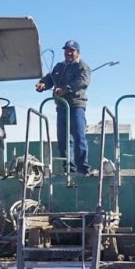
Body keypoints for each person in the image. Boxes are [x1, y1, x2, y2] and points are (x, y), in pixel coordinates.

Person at [35, 40, 91, 176]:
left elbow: (82, 82)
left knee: (79, 136)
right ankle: (68, 169)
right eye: (67, 50)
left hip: (76, 106)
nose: (69, 53)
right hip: (61, 107)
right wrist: (42, 84)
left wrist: (64, 89)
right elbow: (50, 79)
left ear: (78, 52)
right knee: (63, 139)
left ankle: (83, 169)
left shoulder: (83, 67)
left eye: (72, 50)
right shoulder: (59, 67)